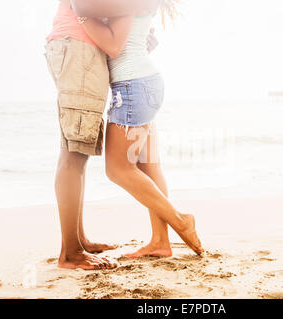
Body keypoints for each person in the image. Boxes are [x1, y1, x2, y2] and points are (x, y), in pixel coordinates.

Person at [74, 0, 204, 258]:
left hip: (133, 87)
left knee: (118, 169)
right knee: (148, 165)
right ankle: (160, 242)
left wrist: (82, 16)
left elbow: (113, 46)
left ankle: (181, 221)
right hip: (143, 84)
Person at [45, 0, 158, 270]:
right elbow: (82, 6)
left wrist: (134, 27)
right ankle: (70, 253)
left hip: (82, 49)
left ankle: (78, 240)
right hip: (78, 49)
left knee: (79, 150)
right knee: (75, 151)